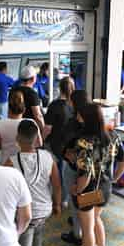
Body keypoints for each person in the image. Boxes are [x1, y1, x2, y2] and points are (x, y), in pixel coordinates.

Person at [71, 103, 124, 246]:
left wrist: (77, 190)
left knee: (87, 227)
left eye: (80, 114)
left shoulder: (84, 141)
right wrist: (114, 179)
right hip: (105, 188)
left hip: (88, 190)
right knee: (96, 219)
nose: (77, 117)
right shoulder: (112, 134)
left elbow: (86, 173)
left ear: (87, 118)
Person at [4, 120, 62, 246]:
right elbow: (56, 185)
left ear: (17, 139)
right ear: (37, 138)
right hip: (45, 210)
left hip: (24, 214)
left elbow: (3, 191)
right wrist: (57, 205)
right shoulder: (48, 157)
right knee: (38, 234)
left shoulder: (10, 163)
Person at [60, 90, 90, 246]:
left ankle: (77, 234)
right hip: (92, 173)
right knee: (87, 203)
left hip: (75, 169)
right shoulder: (93, 121)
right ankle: (81, 224)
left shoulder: (73, 123)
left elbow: (68, 148)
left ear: (74, 103)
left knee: (75, 199)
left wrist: (65, 153)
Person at [45, 77, 75, 206]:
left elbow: (48, 128)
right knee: (67, 172)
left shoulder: (54, 105)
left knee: (58, 173)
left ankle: (59, 198)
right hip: (71, 144)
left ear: (59, 88)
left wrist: (42, 140)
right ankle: (65, 198)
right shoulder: (74, 105)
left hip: (56, 144)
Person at [11, 66, 45, 132]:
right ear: (33, 79)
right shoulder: (32, 93)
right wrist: (43, 130)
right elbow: (38, 116)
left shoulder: (13, 91)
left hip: (17, 125)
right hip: (30, 127)